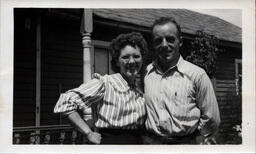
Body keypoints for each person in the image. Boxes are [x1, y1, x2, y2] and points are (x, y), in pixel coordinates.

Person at [54, 32, 148, 144]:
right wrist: (88, 133)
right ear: (117, 61)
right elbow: (65, 103)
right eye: (125, 57)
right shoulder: (105, 83)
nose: (132, 61)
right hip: (111, 145)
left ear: (142, 59)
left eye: (136, 56)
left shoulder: (140, 90)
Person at [143, 17, 221, 144]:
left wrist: (194, 139)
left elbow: (212, 118)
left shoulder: (197, 75)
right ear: (153, 44)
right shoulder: (146, 73)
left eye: (170, 39)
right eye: (158, 41)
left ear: (180, 42)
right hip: (153, 144)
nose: (164, 45)